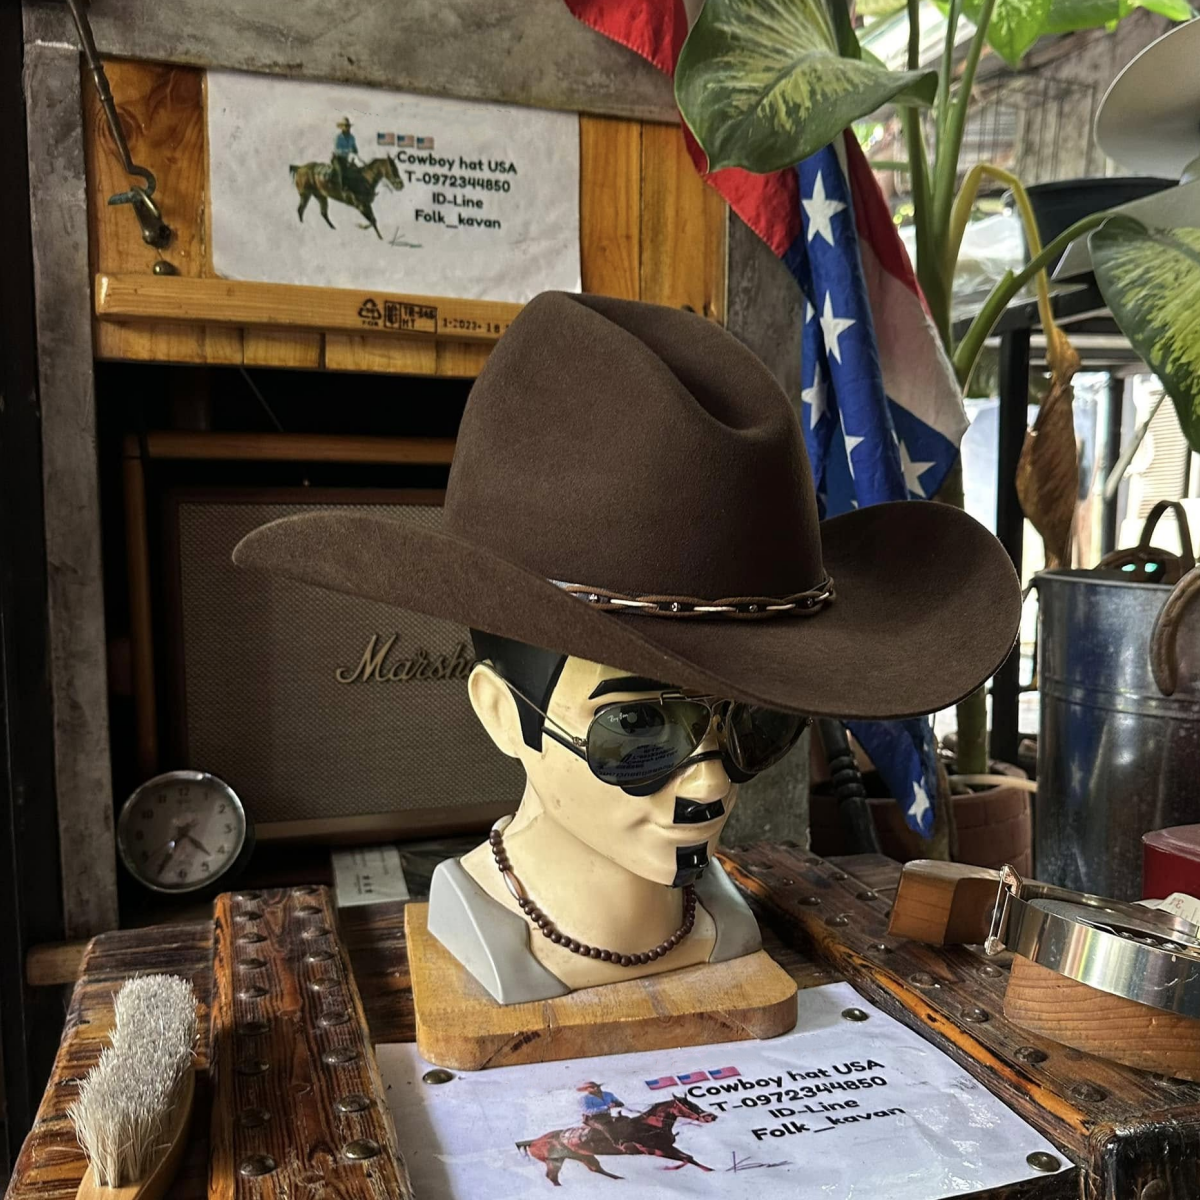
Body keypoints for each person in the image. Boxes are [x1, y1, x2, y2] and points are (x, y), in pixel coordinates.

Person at [331, 117, 359, 195]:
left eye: (348, 126)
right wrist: (348, 151)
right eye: (345, 126)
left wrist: (355, 150)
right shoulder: (338, 137)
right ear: (342, 127)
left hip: (346, 159)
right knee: (341, 171)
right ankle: (343, 189)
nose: (347, 128)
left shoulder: (352, 137)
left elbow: (354, 147)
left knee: (356, 170)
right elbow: (337, 150)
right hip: (338, 159)